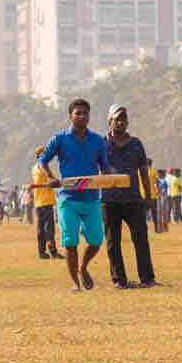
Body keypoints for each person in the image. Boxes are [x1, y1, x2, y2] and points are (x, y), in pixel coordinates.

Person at [38, 99, 112, 292]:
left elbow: (105, 167)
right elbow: (43, 160)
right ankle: (75, 284)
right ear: (70, 116)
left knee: (96, 241)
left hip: (91, 198)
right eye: (78, 113)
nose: (82, 116)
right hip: (67, 198)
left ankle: (84, 267)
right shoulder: (59, 139)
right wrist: (51, 177)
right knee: (70, 243)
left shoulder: (97, 141)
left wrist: (114, 177)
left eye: (85, 113)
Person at [101, 104, 158, 289]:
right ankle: (119, 280)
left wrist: (148, 195)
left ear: (128, 122)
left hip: (133, 198)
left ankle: (147, 278)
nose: (120, 122)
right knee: (112, 242)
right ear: (110, 122)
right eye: (116, 119)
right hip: (109, 199)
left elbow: (143, 170)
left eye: (123, 119)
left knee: (141, 239)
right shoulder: (102, 143)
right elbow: (94, 168)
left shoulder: (136, 143)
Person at [31, 146, 59, 259]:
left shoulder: (35, 168)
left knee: (42, 228)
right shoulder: (42, 168)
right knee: (49, 229)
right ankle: (52, 251)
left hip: (40, 202)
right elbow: (51, 181)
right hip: (45, 201)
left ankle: (42, 252)